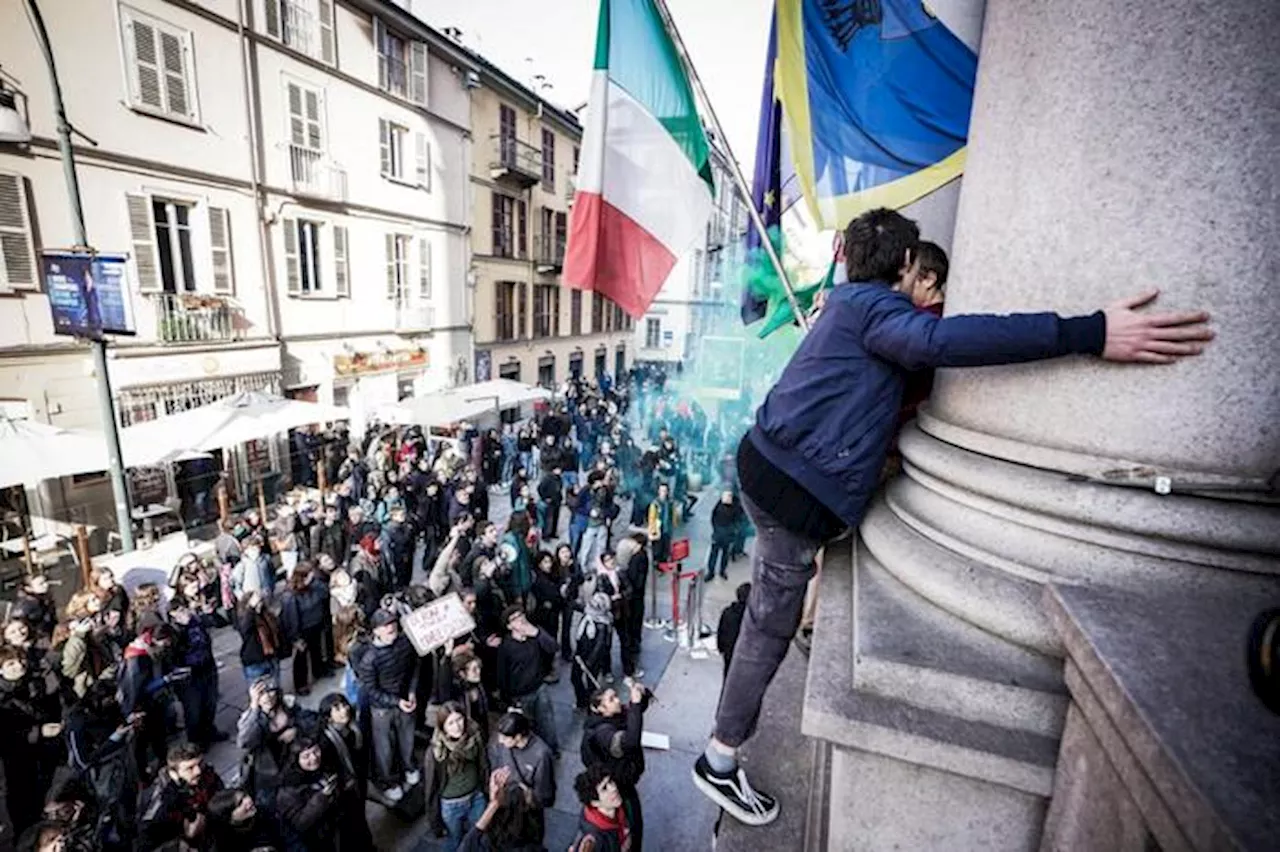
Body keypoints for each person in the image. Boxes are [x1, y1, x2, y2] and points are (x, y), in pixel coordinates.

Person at [692, 206, 1215, 826]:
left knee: (767, 619)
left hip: (768, 470)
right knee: (765, 630)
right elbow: (950, 341)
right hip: (793, 500)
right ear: (907, 266)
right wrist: (1091, 331)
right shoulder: (880, 313)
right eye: (923, 270)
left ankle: (723, 750)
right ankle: (719, 761)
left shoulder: (846, 302)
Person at [356, 609, 419, 803]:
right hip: (382, 709)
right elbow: (371, 690)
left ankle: (409, 767)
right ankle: (389, 781)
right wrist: (396, 702)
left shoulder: (404, 644)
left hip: (405, 700)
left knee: (407, 738)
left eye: (393, 623)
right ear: (376, 630)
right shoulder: (369, 660)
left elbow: (414, 667)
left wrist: (411, 691)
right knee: (385, 748)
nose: (391, 627)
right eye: (386, 625)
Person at [580, 681, 650, 850]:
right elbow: (630, 741)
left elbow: (634, 714)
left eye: (616, 696)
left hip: (623, 779)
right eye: (611, 700)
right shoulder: (602, 733)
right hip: (620, 784)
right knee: (632, 824)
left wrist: (642, 696)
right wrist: (634, 703)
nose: (618, 701)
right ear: (598, 709)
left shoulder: (614, 715)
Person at [424, 702, 490, 852]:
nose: (457, 726)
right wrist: (435, 822)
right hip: (451, 805)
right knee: (454, 842)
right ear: (443, 727)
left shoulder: (475, 736)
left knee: (481, 837)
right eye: (451, 723)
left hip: (476, 797)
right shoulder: (436, 751)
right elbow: (431, 788)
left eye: (459, 719)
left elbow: (484, 765)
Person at [494, 606, 559, 756]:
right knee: (527, 727)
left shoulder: (535, 635)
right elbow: (502, 675)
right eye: (515, 618)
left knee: (547, 722)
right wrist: (508, 700)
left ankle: (552, 750)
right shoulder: (506, 646)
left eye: (521, 615)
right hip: (521, 695)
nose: (520, 619)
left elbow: (553, 647)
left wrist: (536, 633)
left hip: (539, 687)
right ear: (509, 626)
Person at [136, 742, 224, 851]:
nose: (198, 771)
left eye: (200, 764)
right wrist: (186, 839)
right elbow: (147, 843)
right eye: (190, 768)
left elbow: (221, 798)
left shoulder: (207, 774)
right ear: (174, 772)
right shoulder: (159, 801)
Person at [486, 713, 554, 846]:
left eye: (505, 738)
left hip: (527, 812)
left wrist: (528, 794)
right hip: (504, 805)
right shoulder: (499, 743)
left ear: (518, 737)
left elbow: (545, 794)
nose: (500, 741)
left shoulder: (541, 754)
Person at [168, 596, 223, 749]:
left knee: (210, 702)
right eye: (178, 611)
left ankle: (209, 730)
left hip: (207, 666)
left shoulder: (196, 621)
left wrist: (209, 614)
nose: (183, 613)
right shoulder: (173, 629)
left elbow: (216, 624)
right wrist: (182, 627)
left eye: (184, 609)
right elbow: (174, 652)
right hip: (189, 674)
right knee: (193, 709)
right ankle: (196, 740)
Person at [275, 738, 342, 851]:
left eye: (316, 751)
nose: (314, 757)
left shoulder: (322, 768)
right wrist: (322, 796)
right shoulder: (288, 789)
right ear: (296, 760)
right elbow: (301, 823)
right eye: (306, 756)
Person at [281, 563, 331, 696]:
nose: (313, 577)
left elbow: (325, 593)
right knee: (300, 659)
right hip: (302, 630)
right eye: (310, 575)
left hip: (315, 625)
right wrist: (295, 638)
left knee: (317, 651)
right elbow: (290, 618)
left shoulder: (313, 587)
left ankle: (318, 671)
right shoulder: (291, 595)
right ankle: (301, 684)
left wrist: (316, 582)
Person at [569, 765, 632, 852]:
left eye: (610, 781)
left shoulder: (619, 807)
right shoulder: (592, 842)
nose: (613, 788)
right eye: (604, 788)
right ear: (594, 803)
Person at [570, 593, 613, 711]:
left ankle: (591, 706)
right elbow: (575, 605)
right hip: (580, 653)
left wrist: (589, 662)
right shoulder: (588, 615)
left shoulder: (602, 625)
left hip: (591, 658)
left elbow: (600, 646)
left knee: (591, 684)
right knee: (575, 678)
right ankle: (582, 700)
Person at [206, 788, 283, 852]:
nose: (248, 801)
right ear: (229, 819)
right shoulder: (223, 843)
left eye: (245, 796)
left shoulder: (266, 815)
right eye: (240, 804)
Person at [236, 590, 284, 686]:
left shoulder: (266, 615)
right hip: (255, 661)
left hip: (271, 657)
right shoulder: (244, 618)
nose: (259, 603)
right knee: (260, 692)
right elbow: (245, 629)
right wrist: (251, 608)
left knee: (275, 689)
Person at [716, 583, 751, 681]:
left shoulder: (728, 612)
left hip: (729, 651)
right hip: (745, 653)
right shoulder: (752, 618)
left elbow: (721, 630)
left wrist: (720, 647)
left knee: (727, 675)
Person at [706, 490, 739, 582]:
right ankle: (711, 572)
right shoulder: (718, 506)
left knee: (725, 554)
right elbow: (713, 518)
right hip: (718, 534)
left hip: (727, 535)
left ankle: (722, 571)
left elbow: (736, 521)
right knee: (713, 554)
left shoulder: (734, 508)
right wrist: (716, 529)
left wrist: (732, 531)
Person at [646, 483, 674, 565]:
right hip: (658, 529)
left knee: (666, 548)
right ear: (658, 491)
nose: (663, 493)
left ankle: (663, 562)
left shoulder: (669, 503)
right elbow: (651, 518)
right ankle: (657, 563)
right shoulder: (655, 504)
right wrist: (653, 530)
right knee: (658, 549)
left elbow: (672, 515)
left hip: (667, 529)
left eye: (665, 491)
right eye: (662, 490)